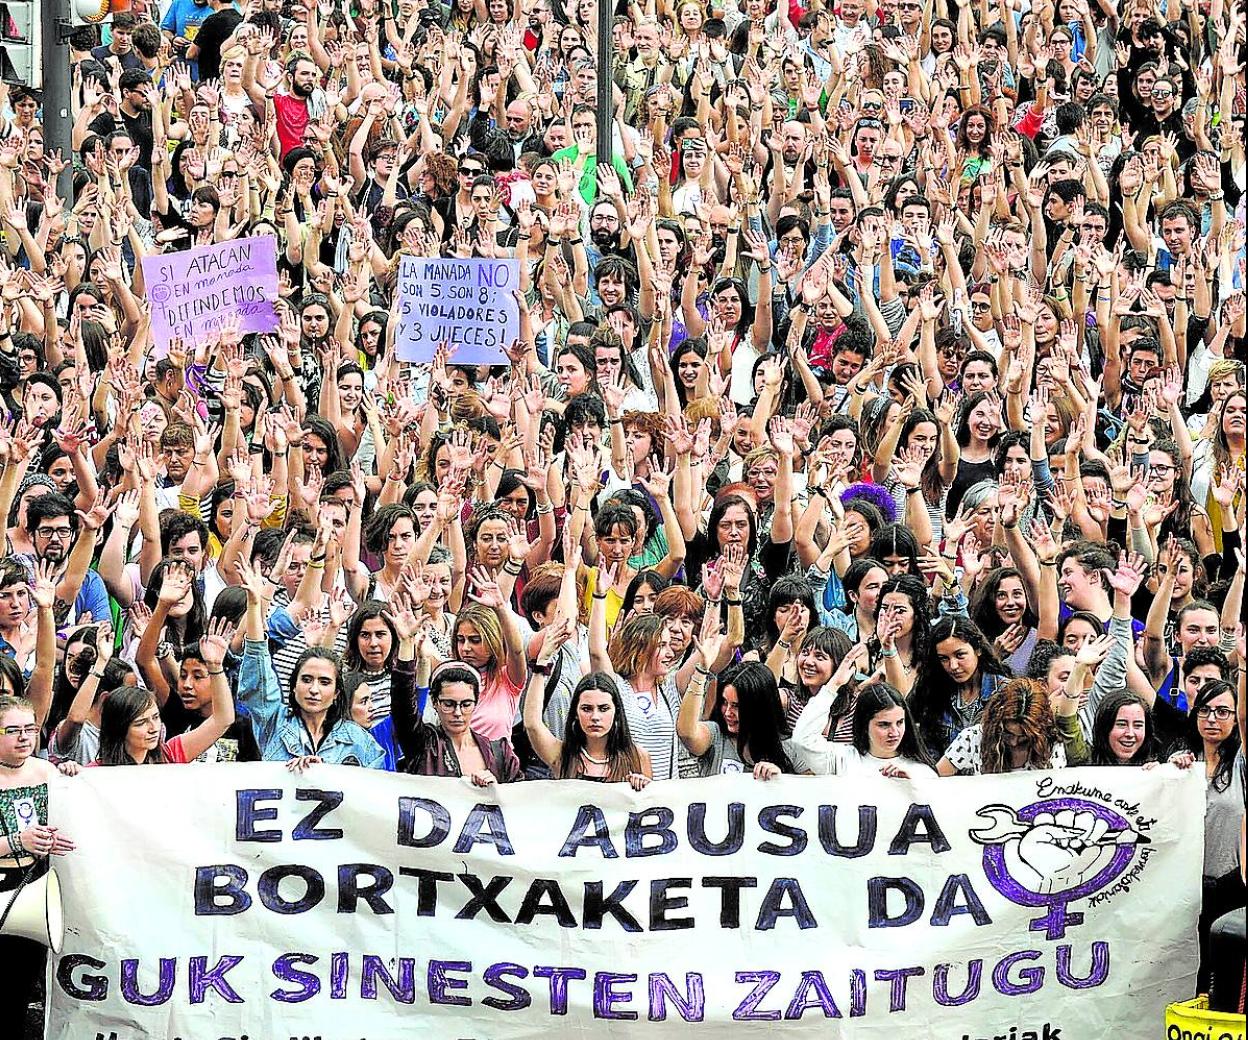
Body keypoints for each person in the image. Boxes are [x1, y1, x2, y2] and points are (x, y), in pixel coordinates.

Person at [790, 680, 938, 778]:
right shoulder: (843, 759)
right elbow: (802, 740)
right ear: (865, 725)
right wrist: (833, 686)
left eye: (899, 722)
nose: (894, 732)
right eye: (884, 725)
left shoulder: (922, 772)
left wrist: (913, 786)